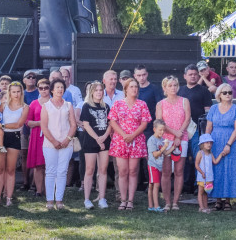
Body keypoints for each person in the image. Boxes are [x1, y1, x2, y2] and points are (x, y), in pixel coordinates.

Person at [108, 77, 151, 211]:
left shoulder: (142, 104)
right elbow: (113, 121)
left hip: (136, 140)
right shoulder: (118, 104)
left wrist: (132, 135)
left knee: (133, 171)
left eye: (136, 87)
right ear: (126, 89)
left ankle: (130, 200)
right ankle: (123, 199)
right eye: (131, 86)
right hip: (120, 140)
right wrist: (124, 135)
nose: (134, 89)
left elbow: (145, 123)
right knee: (122, 171)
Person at [204, 82, 236, 210]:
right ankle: (217, 199)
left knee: (230, 170)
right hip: (215, 142)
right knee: (216, 169)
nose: (227, 95)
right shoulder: (213, 109)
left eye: (230, 92)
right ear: (219, 95)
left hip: (231, 142)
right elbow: (208, 128)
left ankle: (228, 200)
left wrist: (228, 144)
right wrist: (205, 143)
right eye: (224, 92)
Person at [41, 78, 78, 210]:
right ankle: (50, 200)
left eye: (61, 87)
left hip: (66, 143)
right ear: (52, 90)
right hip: (50, 144)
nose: (60, 90)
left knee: (62, 171)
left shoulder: (68, 105)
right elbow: (44, 126)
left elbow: (73, 125)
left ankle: (59, 200)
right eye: (57, 87)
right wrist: (54, 141)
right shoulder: (46, 106)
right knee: (50, 171)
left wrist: (67, 139)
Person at [156, 75, 191, 211]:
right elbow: (160, 122)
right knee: (165, 171)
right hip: (165, 140)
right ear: (165, 87)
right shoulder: (161, 104)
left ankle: (176, 201)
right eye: (170, 85)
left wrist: (179, 134)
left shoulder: (184, 101)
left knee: (179, 170)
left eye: (175, 85)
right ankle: (167, 201)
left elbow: (187, 119)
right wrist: (174, 133)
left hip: (182, 138)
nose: (173, 88)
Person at [79, 81, 111, 210]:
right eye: (96, 90)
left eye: (101, 90)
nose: (99, 92)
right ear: (91, 92)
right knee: (90, 170)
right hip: (91, 140)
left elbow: (110, 124)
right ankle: (87, 199)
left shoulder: (106, 106)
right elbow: (86, 125)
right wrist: (98, 138)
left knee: (103, 170)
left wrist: (104, 137)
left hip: (105, 141)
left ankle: (102, 198)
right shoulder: (86, 106)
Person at [0, 81, 25, 207]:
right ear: (9, 92)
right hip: (1, 136)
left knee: (10, 170)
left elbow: (19, 124)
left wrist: (3, 125)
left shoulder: (25, 107)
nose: (16, 94)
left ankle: (9, 198)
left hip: (14, 136)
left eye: (18, 91)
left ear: (21, 92)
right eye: (13, 92)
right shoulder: (3, 105)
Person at [26, 79, 51, 198]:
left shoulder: (54, 102)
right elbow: (27, 121)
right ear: (38, 89)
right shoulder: (34, 103)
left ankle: (49, 191)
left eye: (46, 87)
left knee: (49, 165)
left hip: (51, 136)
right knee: (38, 165)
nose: (44, 90)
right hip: (37, 136)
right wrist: (40, 123)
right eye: (41, 88)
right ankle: (39, 190)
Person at [194, 133, 217, 212]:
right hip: (202, 177)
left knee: (206, 192)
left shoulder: (210, 154)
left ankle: (206, 206)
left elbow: (215, 161)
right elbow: (196, 165)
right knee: (200, 192)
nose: (209, 144)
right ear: (202, 144)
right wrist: (202, 172)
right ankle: (201, 207)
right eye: (207, 143)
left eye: (210, 143)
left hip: (209, 177)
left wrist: (221, 154)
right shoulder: (200, 153)